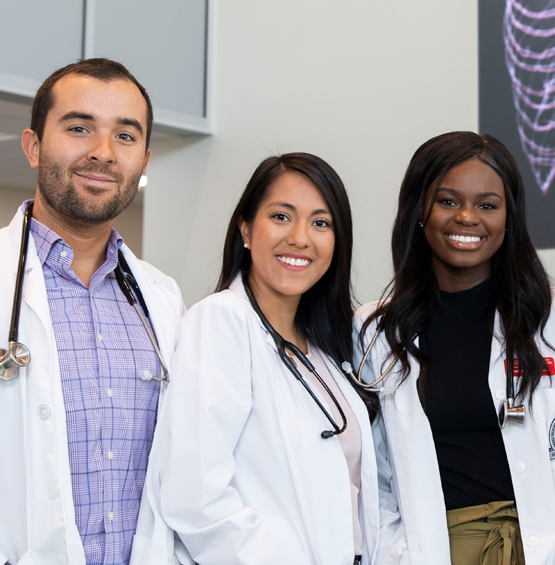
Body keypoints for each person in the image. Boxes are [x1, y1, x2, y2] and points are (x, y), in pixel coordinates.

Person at [354, 131, 555, 565]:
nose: (467, 218)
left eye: (488, 205)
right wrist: (397, 555)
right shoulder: (377, 331)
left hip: (542, 551)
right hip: (433, 550)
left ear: (509, 217)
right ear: (420, 209)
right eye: (448, 201)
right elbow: (371, 471)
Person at [150, 153, 405, 564]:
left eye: (321, 223)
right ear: (246, 229)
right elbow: (196, 498)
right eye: (282, 217)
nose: (300, 238)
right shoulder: (221, 322)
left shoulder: (329, 350)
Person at [0, 59, 186, 565]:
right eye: (79, 128)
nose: (102, 153)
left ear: (143, 159)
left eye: (125, 136)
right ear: (33, 146)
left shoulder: (162, 300)